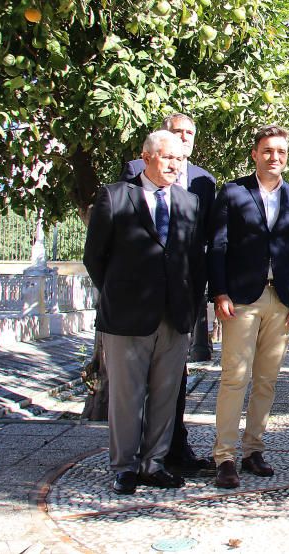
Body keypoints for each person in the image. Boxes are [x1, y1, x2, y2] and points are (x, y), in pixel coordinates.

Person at [84, 130, 206, 495]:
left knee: (166, 394)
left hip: (174, 316)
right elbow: (95, 258)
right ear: (146, 157)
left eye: (180, 158)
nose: (174, 164)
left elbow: (193, 260)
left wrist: (189, 302)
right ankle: (124, 467)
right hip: (126, 317)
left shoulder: (189, 202)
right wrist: (120, 293)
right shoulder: (115, 195)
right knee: (127, 395)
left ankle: (154, 463)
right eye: (167, 156)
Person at [208, 125, 289, 489]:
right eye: (267, 150)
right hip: (241, 299)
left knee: (266, 381)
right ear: (254, 154)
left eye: (281, 152)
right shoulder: (233, 192)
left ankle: (254, 450)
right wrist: (219, 292)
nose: (274, 157)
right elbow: (218, 246)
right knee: (235, 376)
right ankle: (224, 455)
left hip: (281, 300)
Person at [120, 112, 216, 475]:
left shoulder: (204, 181)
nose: (185, 138)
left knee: (175, 377)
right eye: (177, 131)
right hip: (140, 298)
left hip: (183, 295)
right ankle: (131, 459)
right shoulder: (134, 169)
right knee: (136, 381)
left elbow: (205, 241)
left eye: (190, 132)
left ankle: (173, 450)